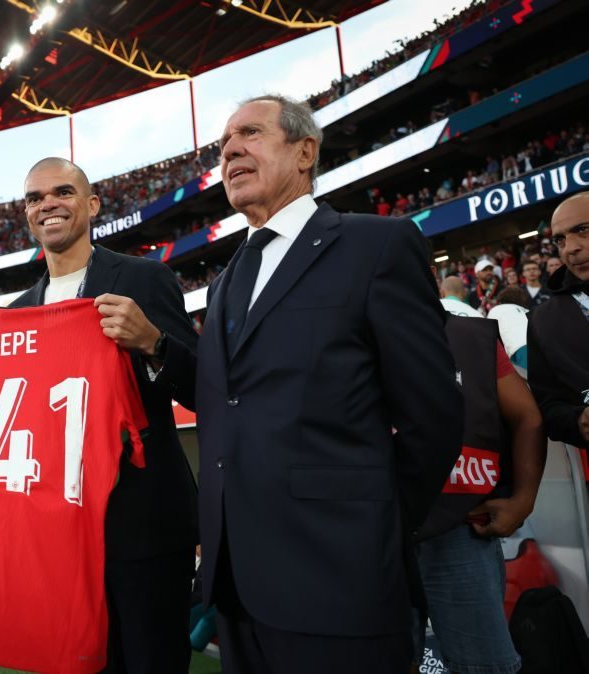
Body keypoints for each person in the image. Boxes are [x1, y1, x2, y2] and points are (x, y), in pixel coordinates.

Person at [151, 94, 462, 672]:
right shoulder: (225, 282)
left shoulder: (376, 245)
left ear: (305, 152)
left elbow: (434, 415)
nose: (231, 150)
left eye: (250, 133)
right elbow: (225, 401)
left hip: (341, 575)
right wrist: (156, 348)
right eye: (223, 145)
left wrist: (375, 520)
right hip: (238, 589)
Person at [0, 157, 200, 672]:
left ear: (91, 205)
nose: (48, 203)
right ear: (27, 215)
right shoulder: (18, 313)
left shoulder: (144, 278)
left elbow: (205, 385)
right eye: (34, 197)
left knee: (151, 661)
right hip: (56, 535)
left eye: (62, 192)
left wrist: (153, 344)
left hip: (142, 528)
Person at [413, 308, 546, 674]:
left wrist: (523, 499)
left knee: (486, 666)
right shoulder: (341, 333)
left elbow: (528, 416)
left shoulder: (469, 336)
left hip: (460, 526)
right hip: (372, 528)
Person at [528, 191, 589, 448]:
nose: (571, 248)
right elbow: (548, 407)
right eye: (560, 240)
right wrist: (579, 421)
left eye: (583, 230)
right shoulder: (543, 320)